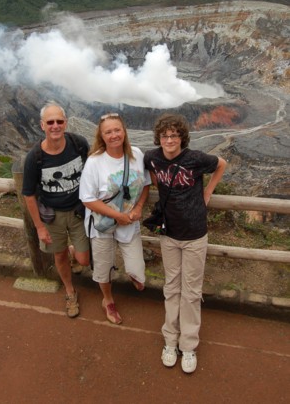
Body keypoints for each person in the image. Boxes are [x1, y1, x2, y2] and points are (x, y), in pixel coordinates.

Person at [144, 113, 227, 373]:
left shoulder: (195, 159)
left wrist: (208, 191)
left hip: (194, 235)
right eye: (165, 135)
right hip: (169, 234)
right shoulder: (152, 157)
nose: (169, 140)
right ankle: (170, 340)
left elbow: (221, 163)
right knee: (172, 288)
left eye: (174, 135)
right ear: (159, 138)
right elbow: (151, 174)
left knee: (191, 292)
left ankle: (188, 345)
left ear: (182, 137)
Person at [79, 113, 151, 325]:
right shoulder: (95, 162)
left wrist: (138, 207)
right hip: (102, 224)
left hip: (129, 222)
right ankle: (108, 300)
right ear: (101, 136)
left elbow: (146, 183)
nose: (114, 135)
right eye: (108, 132)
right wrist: (117, 215)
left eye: (117, 130)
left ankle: (132, 274)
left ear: (124, 131)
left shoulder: (136, 154)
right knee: (103, 268)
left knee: (138, 271)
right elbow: (87, 198)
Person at [22, 101, 90, 318]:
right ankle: (70, 291)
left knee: (84, 260)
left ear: (66, 123)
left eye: (59, 121)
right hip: (52, 217)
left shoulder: (78, 144)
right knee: (58, 256)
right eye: (50, 122)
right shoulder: (35, 157)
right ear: (42, 125)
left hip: (79, 212)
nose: (55, 126)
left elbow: (92, 172)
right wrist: (40, 227)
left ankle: (73, 252)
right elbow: (28, 195)